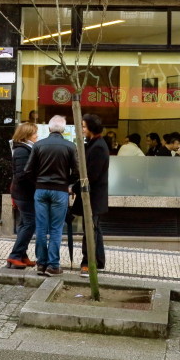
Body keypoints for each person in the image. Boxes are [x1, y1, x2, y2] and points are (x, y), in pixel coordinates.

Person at [22, 115, 77, 276]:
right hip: (60, 191)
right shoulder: (70, 146)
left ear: (49, 128)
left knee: (40, 228)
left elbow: (27, 170)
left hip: (41, 190)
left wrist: (38, 183)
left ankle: (41, 263)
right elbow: (78, 171)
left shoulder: (38, 145)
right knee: (55, 229)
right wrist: (69, 184)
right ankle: (53, 265)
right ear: (64, 129)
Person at [73, 113, 109, 278]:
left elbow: (91, 175)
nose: (82, 129)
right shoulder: (94, 144)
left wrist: (74, 187)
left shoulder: (98, 147)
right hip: (93, 195)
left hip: (93, 197)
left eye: (84, 126)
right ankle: (99, 261)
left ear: (91, 128)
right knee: (95, 229)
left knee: (90, 230)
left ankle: (88, 263)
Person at [6, 122, 38, 269]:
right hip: (23, 193)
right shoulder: (21, 151)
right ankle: (14, 255)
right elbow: (22, 175)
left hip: (23, 192)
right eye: (34, 133)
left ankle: (22, 255)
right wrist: (36, 185)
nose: (37, 135)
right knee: (30, 223)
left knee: (25, 223)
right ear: (27, 135)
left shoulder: (25, 148)